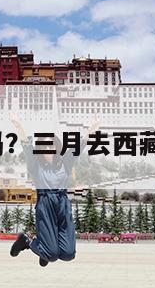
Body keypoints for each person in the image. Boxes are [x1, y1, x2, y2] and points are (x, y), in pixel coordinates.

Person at [9, 114, 97, 267]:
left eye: (51, 146)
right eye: (45, 147)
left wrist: (90, 130)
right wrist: (18, 126)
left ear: (57, 147)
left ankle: (43, 248)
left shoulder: (65, 163)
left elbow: (79, 146)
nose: (49, 149)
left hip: (63, 205)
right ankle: (26, 241)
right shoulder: (36, 166)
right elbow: (27, 147)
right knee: (52, 255)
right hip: (45, 205)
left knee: (68, 254)